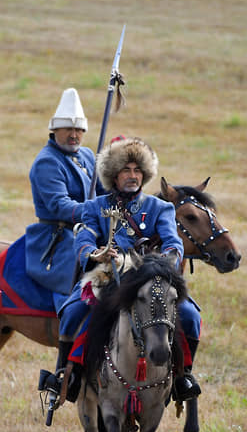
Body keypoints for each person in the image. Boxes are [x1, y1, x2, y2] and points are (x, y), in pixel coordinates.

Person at [41, 136, 201, 404]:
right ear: (113, 175)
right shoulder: (95, 207)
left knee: (189, 316)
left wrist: (164, 263)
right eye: (126, 170)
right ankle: (65, 375)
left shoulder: (159, 208)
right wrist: (95, 254)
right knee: (72, 313)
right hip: (106, 278)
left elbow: (173, 242)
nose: (132, 175)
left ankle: (183, 377)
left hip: (151, 280)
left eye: (138, 170)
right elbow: (84, 239)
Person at [25, 88, 106, 378]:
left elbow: (103, 192)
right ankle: (67, 338)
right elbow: (60, 206)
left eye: (79, 129)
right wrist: (96, 211)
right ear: (54, 130)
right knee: (78, 277)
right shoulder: (47, 162)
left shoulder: (86, 155)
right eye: (68, 129)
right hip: (57, 237)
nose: (74, 135)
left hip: (89, 230)